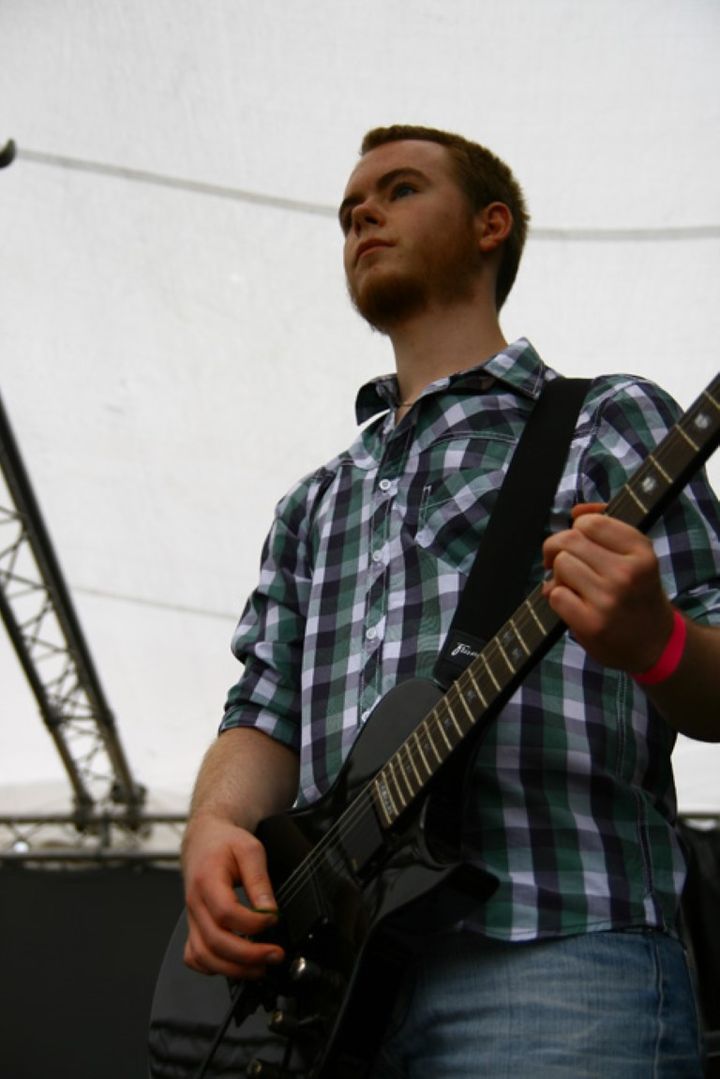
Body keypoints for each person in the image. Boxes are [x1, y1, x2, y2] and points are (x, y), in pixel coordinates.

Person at [181, 125, 720, 1076]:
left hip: (559, 954)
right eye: (349, 211)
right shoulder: (313, 502)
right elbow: (260, 713)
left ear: (490, 225)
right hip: (325, 1002)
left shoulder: (608, 418)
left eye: (398, 190)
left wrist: (659, 641)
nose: (363, 214)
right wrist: (215, 827)